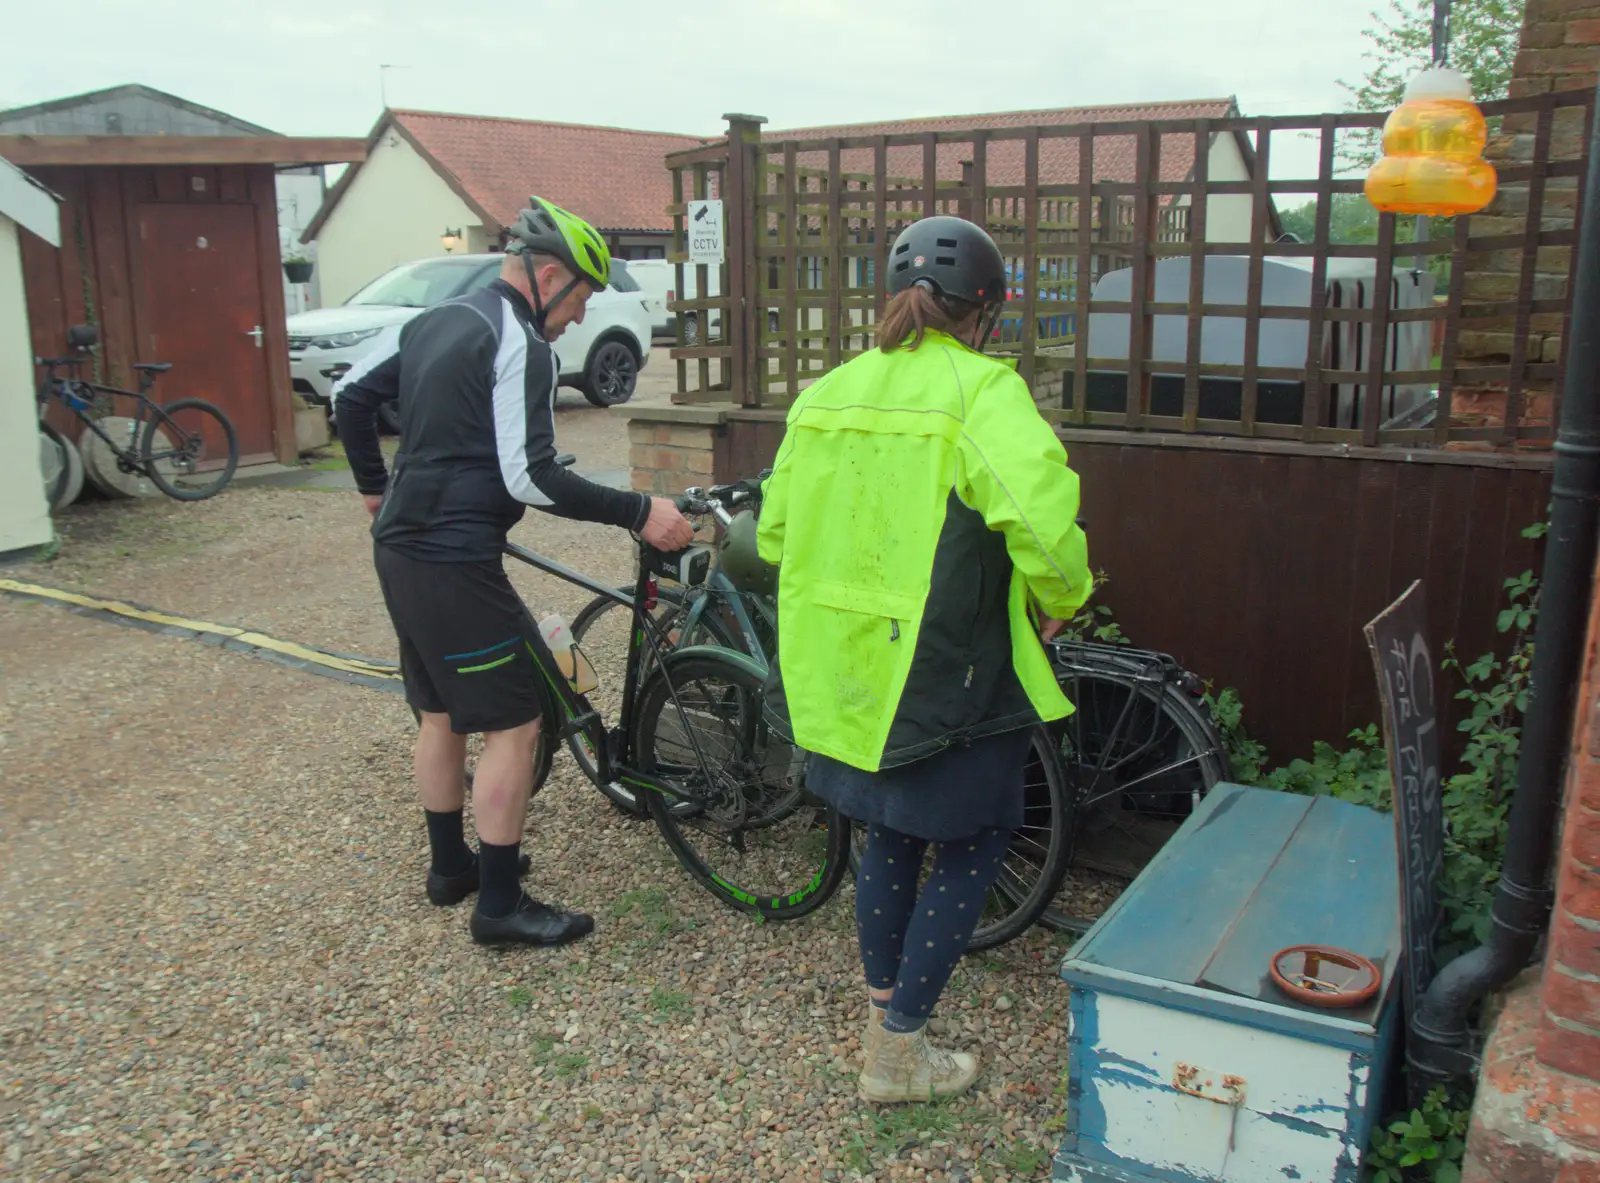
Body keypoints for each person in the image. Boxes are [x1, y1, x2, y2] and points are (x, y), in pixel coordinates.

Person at [754, 216, 1091, 1102]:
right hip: (950, 667)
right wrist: (1063, 595)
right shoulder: (982, 391)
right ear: (987, 311)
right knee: (976, 838)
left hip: (852, 670)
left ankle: (884, 1028)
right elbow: (1044, 525)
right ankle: (899, 1052)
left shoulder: (827, 391)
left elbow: (776, 531)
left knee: (892, 832)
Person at [332, 196, 693, 948]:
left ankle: (449, 867)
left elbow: (350, 395)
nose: (576, 317)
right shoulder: (519, 342)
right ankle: (498, 905)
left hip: (400, 547)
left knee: (439, 713)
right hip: (454, 560)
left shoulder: (434, 319)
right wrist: (638, 510)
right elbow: (530, 476)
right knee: (514, 723)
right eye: (582, 299)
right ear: (551, 274)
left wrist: (375, 487)